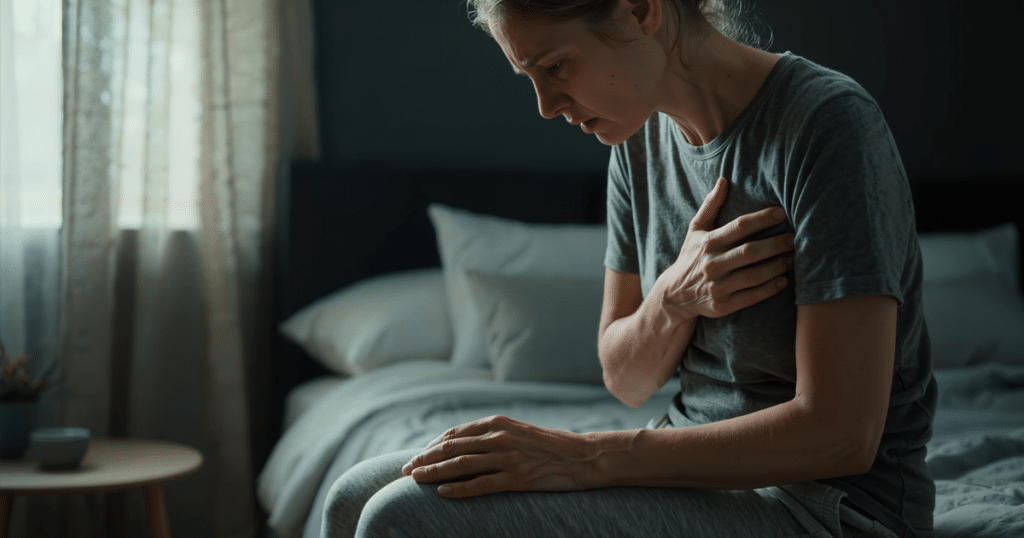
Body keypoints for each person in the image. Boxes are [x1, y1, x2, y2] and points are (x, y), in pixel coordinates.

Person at [322, 1, 936, 537]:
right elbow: (626, 378)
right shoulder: (637, 140)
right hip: (694, 481)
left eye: (556, 66)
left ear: (640, 8)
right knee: (353, 495)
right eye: (529, 77)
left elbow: (842, 433)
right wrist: (673, 298)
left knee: (397, 518)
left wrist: (586, 458)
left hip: (828, 511)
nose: (546, 106)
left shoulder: (827, 126)